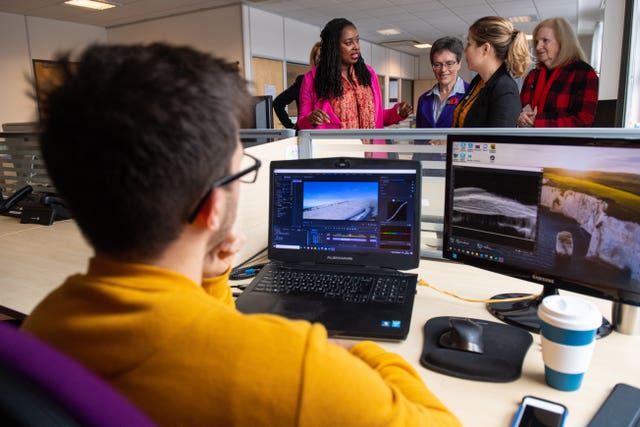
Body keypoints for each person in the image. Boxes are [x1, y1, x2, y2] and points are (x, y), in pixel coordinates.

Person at [21, 43, 461, 427]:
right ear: (212, 207)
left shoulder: (41, 328)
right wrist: (364, 351)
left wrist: (211, 275)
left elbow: (209, 337)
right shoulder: (295, 369)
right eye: (242, 170)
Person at [297, 18, 412, 130]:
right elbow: (302, 122)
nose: (356, 47)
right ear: (334, 47)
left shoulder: (368, 74)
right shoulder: (312, 79)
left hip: (370, 148)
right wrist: (310, 119)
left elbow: (377, 118)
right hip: (335, 148)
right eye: (348, 43)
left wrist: (397, 113)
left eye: (357, 40)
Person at [518, 17, 599, 127]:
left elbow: (583, 120)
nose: (537, 46)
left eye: (545, 40)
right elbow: (522, 109)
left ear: (562, 42)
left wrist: (538, 121)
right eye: (536, 41)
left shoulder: (584, 73)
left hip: (563, 144)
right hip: (529, 142)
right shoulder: (532, 76)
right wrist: (521, 117)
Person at [453, 16, 531, 127]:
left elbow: (497, 142)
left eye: (469, 44)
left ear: (485, 49)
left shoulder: (505, 90)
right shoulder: (479, 81)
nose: (465, 50)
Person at [416, 37, 468, 129]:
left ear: (459, 64)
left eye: (449, 64)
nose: (443, 70)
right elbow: (418, 137)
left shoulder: (471, 95)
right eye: (437, 65)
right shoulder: (423, 100)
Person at [273, 42, 321, 129]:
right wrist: (291, 127)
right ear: (314, 61)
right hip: (306, 134)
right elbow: (278, 103)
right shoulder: (303, 81)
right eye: (319, 58)